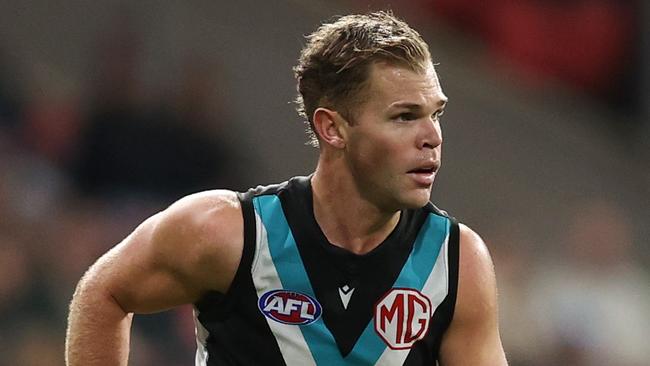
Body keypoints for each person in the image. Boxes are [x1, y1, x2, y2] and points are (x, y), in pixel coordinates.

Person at [65, 11, 507, 366]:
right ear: (332, 128)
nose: (432, 136)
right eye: (405, 116)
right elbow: (103, 294)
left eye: (437, 114)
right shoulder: (228, 233)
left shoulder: (456, 262)